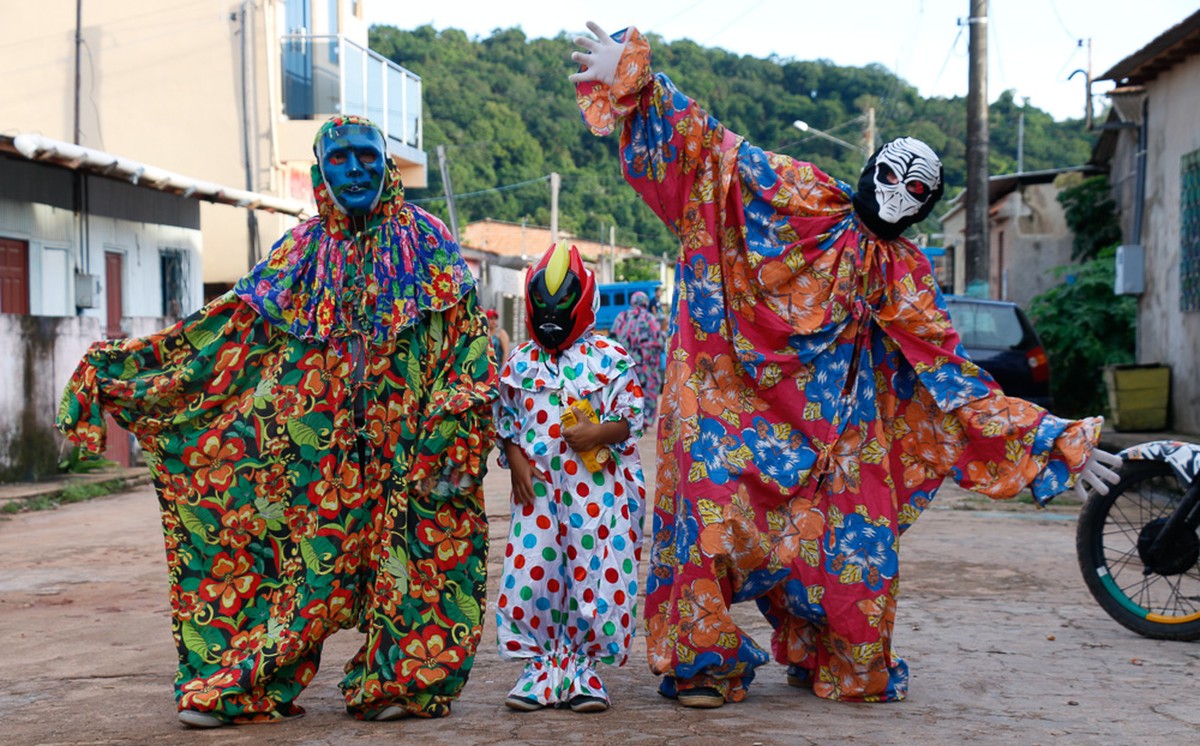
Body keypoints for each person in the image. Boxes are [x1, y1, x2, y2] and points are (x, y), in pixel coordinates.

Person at [570, 23, 1122, 708]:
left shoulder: (907, 276)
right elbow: (716, 153)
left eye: (915, 188)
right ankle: (702, 662)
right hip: (734, 404)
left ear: (924, 206)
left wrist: (1051, 437)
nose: (895, 191)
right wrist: (642, 85)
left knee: (858, 555)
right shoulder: (802, 194)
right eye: (889, 172)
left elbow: (950, 380)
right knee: (709, 510)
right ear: (869, 168)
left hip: (839, 436)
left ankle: (824, 646)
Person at [56, 115, 497, 726]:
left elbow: (468, 340)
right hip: (324, 462)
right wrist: (131, 371)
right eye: (339, 158)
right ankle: (244, 684)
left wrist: (455, 419)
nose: (355, 168)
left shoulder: (429, 241)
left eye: (366, 155)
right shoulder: (301, 250)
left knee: (419, 565)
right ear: (320, 172)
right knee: (301, 570)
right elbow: (229, 331)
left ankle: (400, 684)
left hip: (411, 449)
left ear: (387, 161)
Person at [493, 242, 647, 713]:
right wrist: (515, 457)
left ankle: (583, 671)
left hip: (595, 499)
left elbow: (631, 418)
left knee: (593, 576)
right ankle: (538, 669)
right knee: (531, 575)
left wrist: (600, 431)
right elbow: (505, 420)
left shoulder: (609, 358)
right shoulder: (519, 363)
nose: (552, 318)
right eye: (543, 308)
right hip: (538, 496)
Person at [609, 291, 665, 424]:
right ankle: (644, 420)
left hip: (625, 365)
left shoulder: (621, 317)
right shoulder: (650, 318)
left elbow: (611, 339)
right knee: (647, 392)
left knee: (627, 392)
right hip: (647, 366)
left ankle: (629, 420)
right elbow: (661, 342)